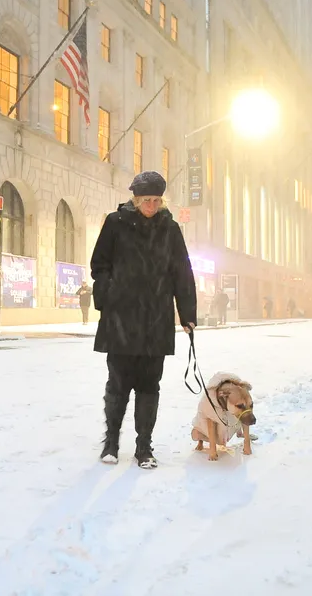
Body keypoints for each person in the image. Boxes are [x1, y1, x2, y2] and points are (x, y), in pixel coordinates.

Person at [90, 171, 197, 469]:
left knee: (150, 386)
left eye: (156, 200)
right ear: (135, 200)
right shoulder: (115, 223)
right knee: (118, 384)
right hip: (121, 318)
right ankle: (111, 443)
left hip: (155, 319)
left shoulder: (170, 229)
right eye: (146, 200)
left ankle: (144, 448)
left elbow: (182, 273)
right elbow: (99, 263)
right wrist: (107, 296)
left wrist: (187, 314)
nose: (151, 205)